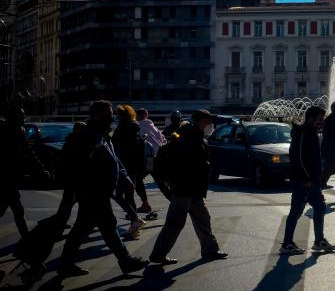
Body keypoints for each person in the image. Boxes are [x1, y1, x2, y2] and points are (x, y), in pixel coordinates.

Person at [58, 100, 149, 277]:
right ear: (97, 115)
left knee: (88, 227)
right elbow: (78, 166)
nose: (111, 117)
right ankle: (125, 261)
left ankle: (66, 264)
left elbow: (114, 159)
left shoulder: (102, 134)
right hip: (92, 191)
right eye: (108, 114)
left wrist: (124, 177)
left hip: (100, 191)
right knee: (104, 226)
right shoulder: (86, 136)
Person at [149, 110, 228, 264]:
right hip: (184, 187)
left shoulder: (193, 133)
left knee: (203, 219)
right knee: (175, 222)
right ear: (200, 120)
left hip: (193, 188)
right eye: (208, 120)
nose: (210, 124)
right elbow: (186, 159)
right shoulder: (188, 133)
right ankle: (158, 254)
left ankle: (210, 249)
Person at [0, 106, 49, 254]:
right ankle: (28, 243)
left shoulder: (17, 130)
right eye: (21, 115)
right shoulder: (6, 132)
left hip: (10, 176)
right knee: (16, 210)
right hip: (6, 176)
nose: (24, 117)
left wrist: (39, 169)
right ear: (13, 117)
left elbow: (28, 154)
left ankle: (26, 242)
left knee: (2, 210)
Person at [280, 106, 335, 255]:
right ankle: (287, 243)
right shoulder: (302, 133)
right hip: (303, 181)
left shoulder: (311, 133)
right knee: (296, 211)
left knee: (320, 207)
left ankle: (319, 240)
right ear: (311, 118)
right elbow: (298, 157)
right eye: (320, 119)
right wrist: (305, 178)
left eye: (322, 119)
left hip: (312, 181)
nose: (321, 122)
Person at [113, 105, 151, 215]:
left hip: (126, 167)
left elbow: (122, 149)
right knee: (127, 195)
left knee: (121, 195)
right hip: (132, 167)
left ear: (123, 116)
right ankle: (134, 218)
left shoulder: (124, 129)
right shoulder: (133, 128)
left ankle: (134, 218)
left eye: (119, 115)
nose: (117, 117)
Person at [55, 122, 87, 227]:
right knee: (77, 200)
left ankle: (61, 220)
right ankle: (81, 222)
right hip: (77, 175)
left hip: (70, 175)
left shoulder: (70, 139)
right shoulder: (79, 140)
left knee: (68, 199)